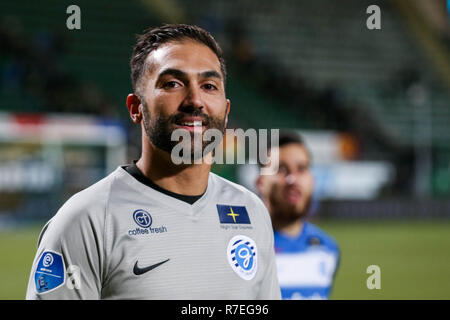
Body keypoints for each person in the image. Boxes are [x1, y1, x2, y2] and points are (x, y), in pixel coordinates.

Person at [26, 24, 281, 300]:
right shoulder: (86, 220)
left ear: (227, 112)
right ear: (136, 108)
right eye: (172, 83)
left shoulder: (252, 211)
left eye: (209, 86)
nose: (195, 100)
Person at [256, 131, 339, 300]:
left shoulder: (327, 247)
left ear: (312, 180)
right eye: (281, 169)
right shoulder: (242, 247)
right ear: (261, 182)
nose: (292, 179)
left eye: (301, 169)